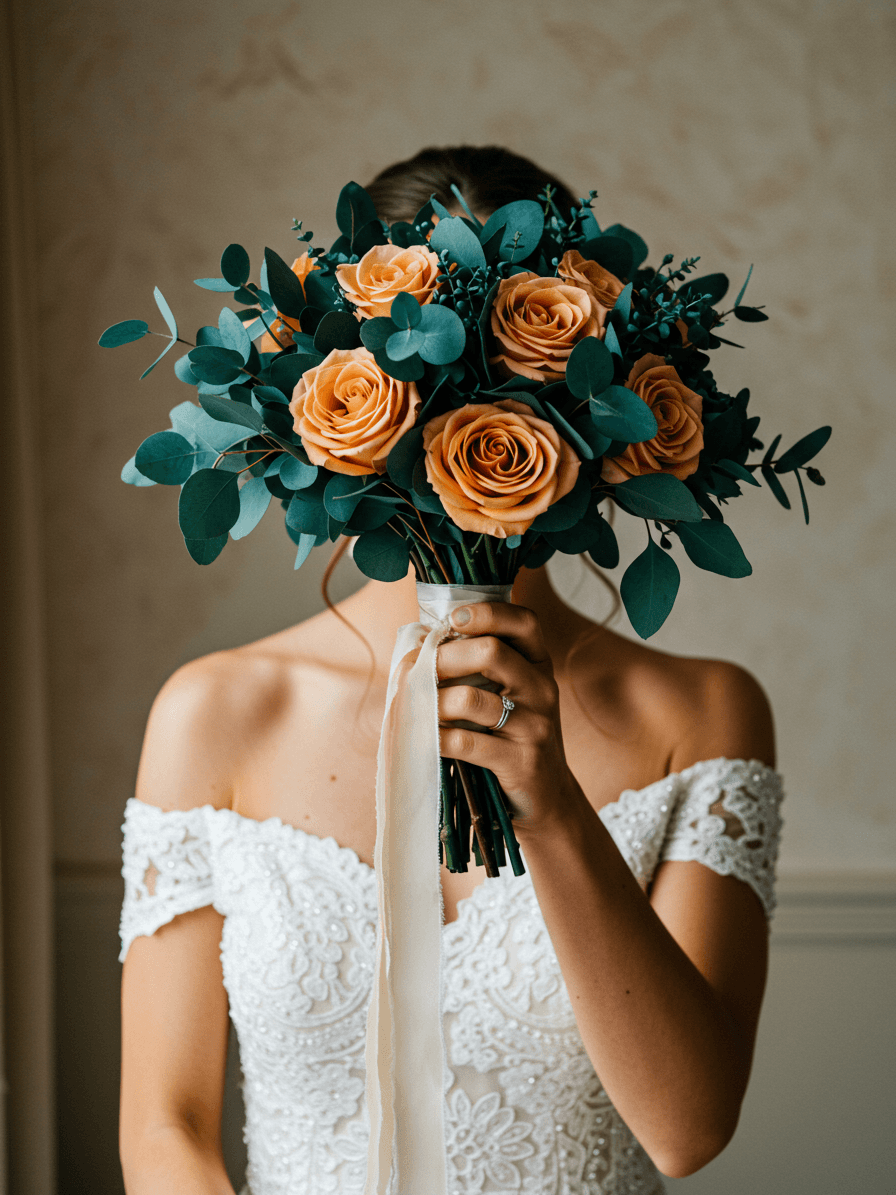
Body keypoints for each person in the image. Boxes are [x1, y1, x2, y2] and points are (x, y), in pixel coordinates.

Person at [118, 146, 781, 1195]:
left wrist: (552, 806)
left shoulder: (698, 712)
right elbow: (166, 1127)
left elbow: (687, 1128)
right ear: (335, 409)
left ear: (595, 408)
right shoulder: (217, 712)